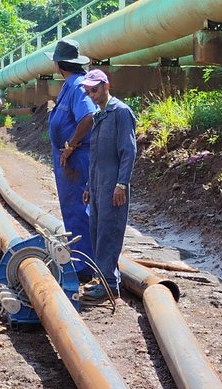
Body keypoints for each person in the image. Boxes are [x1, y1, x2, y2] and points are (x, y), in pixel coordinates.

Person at [79, 70, 135, 303]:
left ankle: (109, 285)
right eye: (87, 91)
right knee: (97, 231)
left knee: (109, 233)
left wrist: (121, 184)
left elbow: (128, 151)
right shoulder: (100, 114)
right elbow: (95, 157)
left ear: (106, 86)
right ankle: (104, 278)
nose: (91, 94)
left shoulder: (120, 112)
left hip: (113, 185)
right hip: (98, 184)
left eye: (94, 89)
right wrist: (88, 187)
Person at [45, 38, 97, 284]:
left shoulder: (77, 86)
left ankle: (85, 264)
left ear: (58, 64)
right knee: (72, 210)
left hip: (77, 159)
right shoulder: (70, 84)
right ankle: (82, 258)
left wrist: (72, 145)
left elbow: (88, 117)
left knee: (79, 210)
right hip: (69, 160)